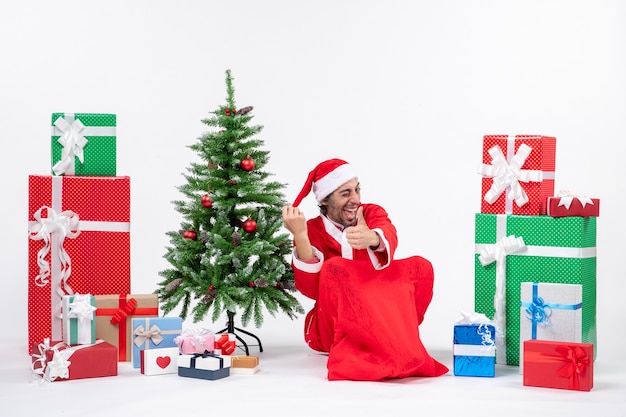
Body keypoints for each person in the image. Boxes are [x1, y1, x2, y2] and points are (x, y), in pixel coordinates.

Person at [282, 158, 449, 381]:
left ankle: (395, 337)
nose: (355, 199)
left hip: (377, 311)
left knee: (420, 267)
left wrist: (372, 238)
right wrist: (300, 237)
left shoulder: (370, 213)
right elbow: (313, 290)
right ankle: (370, 350)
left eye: (357, 190)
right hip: (332, 326)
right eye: (345, 193)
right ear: (324, 200)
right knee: (335, 268)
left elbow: (387, 230)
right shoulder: (311, 229)